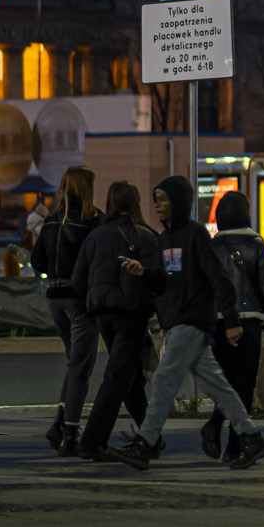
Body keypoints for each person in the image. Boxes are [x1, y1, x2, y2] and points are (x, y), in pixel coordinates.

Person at [104, 176, 264, 471]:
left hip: (193, 320)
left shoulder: (195, 235)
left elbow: (219, 279)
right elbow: (164, 283)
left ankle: (145, 445)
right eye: (156, 199)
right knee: (220, 388)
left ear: (179, 202)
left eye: (164, 199)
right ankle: (252, 437)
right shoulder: (165, 239)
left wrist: (231, 320)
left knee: (164, 382)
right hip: (180, 321)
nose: (158, 205)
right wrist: (143, 273)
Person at [71, 181, 163, 461]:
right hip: (131, 313)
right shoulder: (147, 237)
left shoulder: (96, 236)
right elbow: (157, 281)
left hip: (101, 313)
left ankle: (151, 437)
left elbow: (78, 279)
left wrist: (93, 303)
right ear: (136, 203)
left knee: (129, 376)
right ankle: (92, 441)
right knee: (118, 377)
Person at [202, 190, 264, 461]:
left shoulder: (212, 245)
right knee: (244, 384)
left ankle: (215, 426)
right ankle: (234, 446)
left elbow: (207, 288)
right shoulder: (257, 243)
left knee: (225, 381)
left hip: (219, 322)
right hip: (249, 322)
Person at [37, 166, 101, 456]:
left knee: (74, 361)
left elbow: (38, 261)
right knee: (80, 367)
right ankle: (70, 434)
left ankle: (59, 423)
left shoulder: (50, 221)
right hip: (79, 299)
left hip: (55, 298)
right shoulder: (91, 220)